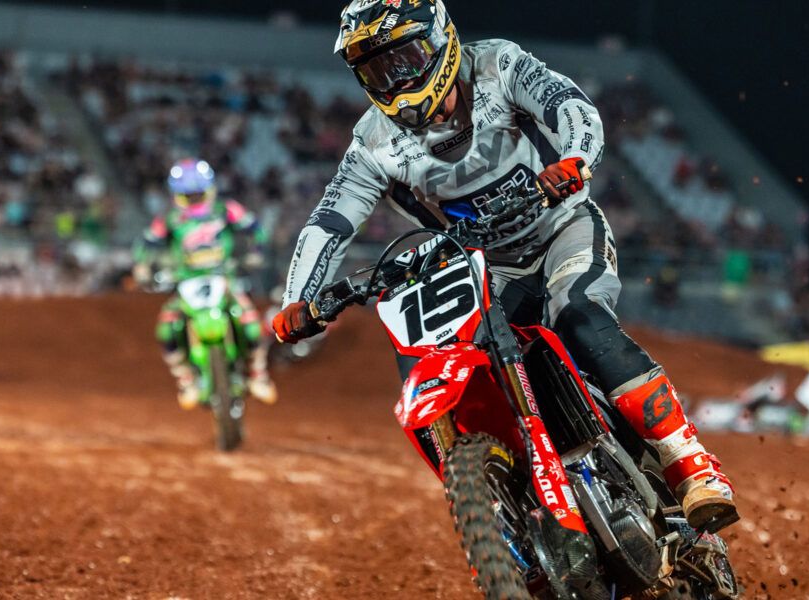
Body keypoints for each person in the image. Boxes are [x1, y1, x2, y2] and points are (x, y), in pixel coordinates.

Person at [270, 0, 735, 531]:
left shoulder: (498, 65)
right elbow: (330, 221)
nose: (397, 81)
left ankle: (691, 464)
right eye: (378, 70)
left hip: (562, 230)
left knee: (577, 314)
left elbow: (569, 105)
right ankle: (507, 504)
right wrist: (297, 299)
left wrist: (575, 159)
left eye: (406, 60)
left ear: (441, 41)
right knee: (445, 353)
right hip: (484, 267)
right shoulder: (372, 143)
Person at [135, 159, 276, 409]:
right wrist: (142, 266)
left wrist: (256, 252)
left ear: (210, 190)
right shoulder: (170, 219)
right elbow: (147, 243)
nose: (194, 200)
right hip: (186, 281)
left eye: (198, 194)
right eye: (188, 196)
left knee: (251, 324)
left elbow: (255, 229)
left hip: (224, 277)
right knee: (166, 329)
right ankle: (186, 380)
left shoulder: (226, 210)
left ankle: (258, 374)